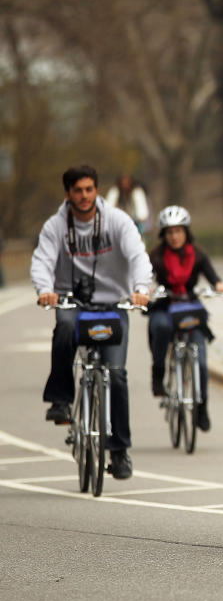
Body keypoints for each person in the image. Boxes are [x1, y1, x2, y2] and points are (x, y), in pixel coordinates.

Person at [31, 165, 153, 480]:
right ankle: (60, 399)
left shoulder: (117, 221)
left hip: (113, 305)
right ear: (68, 194)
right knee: (66, 328)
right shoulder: (55, 226)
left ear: (96, 190)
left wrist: (141, 289)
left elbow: (138, 255)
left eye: (89, 189)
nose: (84, 196)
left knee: (116, 375)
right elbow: (43, 260)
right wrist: (45, 290)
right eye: (77, 191)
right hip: (72, 301)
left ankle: (121, 452)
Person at [147, 205, 223, 432]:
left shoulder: (198, 255)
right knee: (161, 327)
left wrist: (219, 285)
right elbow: (143, 280)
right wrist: (145, 292)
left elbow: (213, 277)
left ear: (186, 232)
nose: (175, 236)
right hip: (165, 306)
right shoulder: (155, 257)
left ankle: (201, 408)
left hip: (188, 308)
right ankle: (158, 374)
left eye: (179, 231)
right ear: (164, 235)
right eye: (170, 232)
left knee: (201, 361)